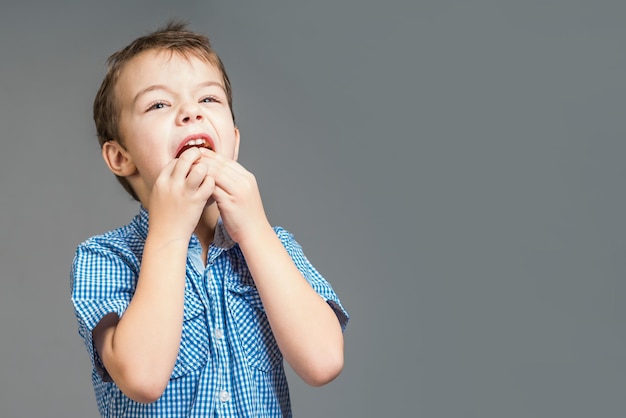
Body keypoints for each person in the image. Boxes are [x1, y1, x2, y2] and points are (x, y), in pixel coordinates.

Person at [70, 21, 349, 417]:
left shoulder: (273, 245)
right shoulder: (104, 258)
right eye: (159, 105)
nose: (190, 114)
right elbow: (142, 378)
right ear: (120, 157)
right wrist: (168, 231)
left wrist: (254, 229)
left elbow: (323, 362)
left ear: (233, 139)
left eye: (209, 100)